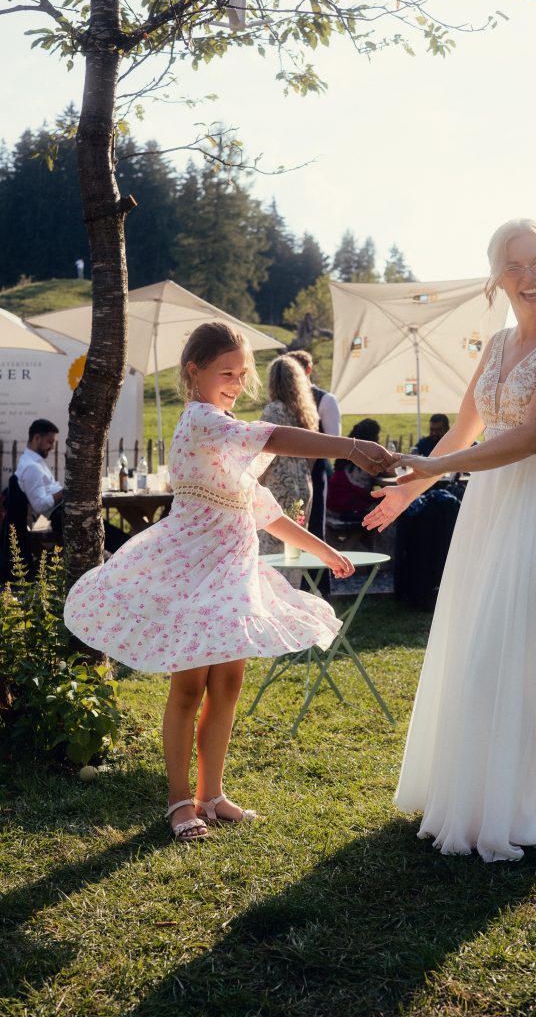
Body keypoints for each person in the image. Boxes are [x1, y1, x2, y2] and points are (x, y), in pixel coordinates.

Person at [64, 322, 394, 842]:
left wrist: (324, 551)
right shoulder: (201, 420)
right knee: (188, 687)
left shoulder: (225, 432)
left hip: (233, 577)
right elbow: (275, 437)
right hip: (194, 574)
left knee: (228, 684)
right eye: (227, 373)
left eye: (243, 375)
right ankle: (179, 801)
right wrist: (349, 446)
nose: (238, 384)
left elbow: (263, 509)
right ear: (194, 372)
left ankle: (212, 794)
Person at [364, 218, 536, 862]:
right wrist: (410, 488)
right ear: (497, 276)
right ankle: (477, 797)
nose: (529, 276)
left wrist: (441, 467)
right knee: (479, 644)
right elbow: (464, 430)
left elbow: (529, 438)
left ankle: (532, 803)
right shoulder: (499, 341)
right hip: (491, 506)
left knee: (529, 652)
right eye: (514, 265)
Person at [16, 419, 127, 554]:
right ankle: (129, 549)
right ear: (37, 438)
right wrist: (67, 490)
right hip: (57, 516)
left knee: (102, 526)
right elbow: (39, 505)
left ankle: (128, 548)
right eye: (49, 442)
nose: (51, 447)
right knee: (103, 529)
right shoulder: (31, 467)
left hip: (62, 511)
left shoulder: (34, 462)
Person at [257, 356, 319, 583]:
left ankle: (273, 591)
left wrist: (257, 481)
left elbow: (262, 451)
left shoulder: (273, 411)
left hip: (278, 480)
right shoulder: (304, 411)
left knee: (271, 541)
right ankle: (293, 588)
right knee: (295, 542)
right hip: (302, 480)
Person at [287, 349, 342, 596]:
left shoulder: (325, 400)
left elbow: (334, 440)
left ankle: (320, 589)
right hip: (286, 473)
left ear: (308, 370)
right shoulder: (283, 401)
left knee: (315, 528)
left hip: (315, 470)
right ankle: (293, 587)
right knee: (290, 531)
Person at [327, 418, 384, 518]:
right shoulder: (366, 458)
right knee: (387, 508)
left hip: (333, 503)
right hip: (346, 508)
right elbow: (390, 473)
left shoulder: (347, 450)